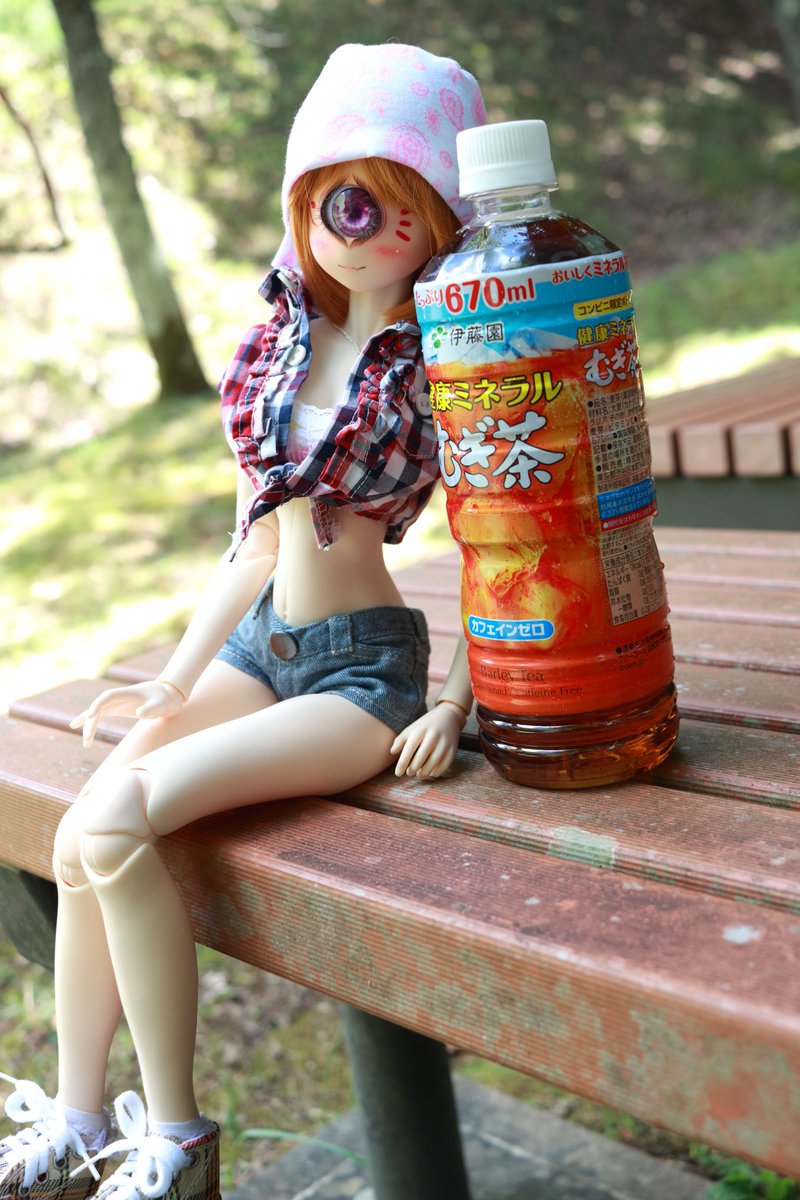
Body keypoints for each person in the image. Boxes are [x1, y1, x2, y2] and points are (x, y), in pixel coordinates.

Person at [0, 43, 484, 1200]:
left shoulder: (446, 361)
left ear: (436, 222)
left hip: (360, 679)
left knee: (120, 819)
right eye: (341, 203)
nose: (366, 233)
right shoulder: (282, 346)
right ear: (302, 205)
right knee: (76, 837)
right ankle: (78, 1120)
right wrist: (172, 681)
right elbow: (255, 541)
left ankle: (176, 1137)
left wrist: (453, 703)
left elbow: (492, 539)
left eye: (399, 209)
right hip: (256, 645)